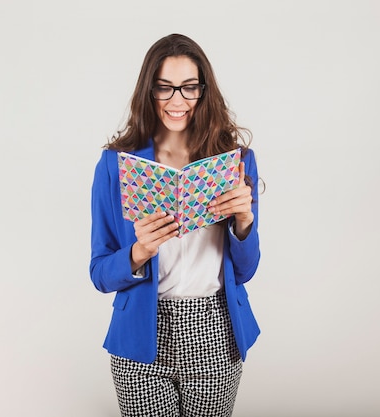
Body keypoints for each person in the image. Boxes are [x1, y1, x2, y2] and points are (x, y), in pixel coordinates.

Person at [89, 34, 261, 417]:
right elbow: (99, 272)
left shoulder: (235, 161)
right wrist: (139, 252)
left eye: (188, 88)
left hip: (215, 329)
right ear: (148, 90)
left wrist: (244, 222)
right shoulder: (115, 166)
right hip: (142, 336)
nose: (177, 101)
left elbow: (245, 271)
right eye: (164, 88)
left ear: (204, 90)